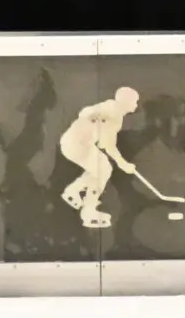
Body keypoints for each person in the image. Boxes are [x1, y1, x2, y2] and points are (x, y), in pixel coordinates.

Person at [58, 87, 142, 229]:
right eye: (135, 101)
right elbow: (86, 114)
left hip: (77, 143)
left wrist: (122, 163)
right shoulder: (112, 111)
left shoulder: (114, 113)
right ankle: (88, 211)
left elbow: (107, 143)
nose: (136, 104)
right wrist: (123, 164)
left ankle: (74, 191)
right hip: (76, 144)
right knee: (103, 169)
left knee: (101, 169)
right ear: (126, 102)